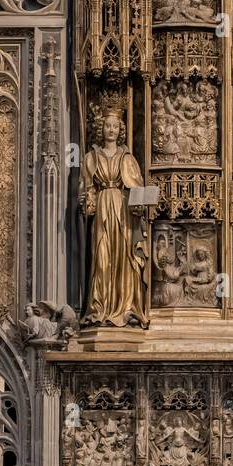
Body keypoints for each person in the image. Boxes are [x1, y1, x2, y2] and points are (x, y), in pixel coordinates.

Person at [80, 106, 149, 327]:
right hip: (102, 211)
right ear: (102, 128)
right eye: (108, 125)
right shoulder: (90, 157)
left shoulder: (127, 158)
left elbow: (137, 187)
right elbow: (86, 188)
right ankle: (100, 307)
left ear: (120, 130)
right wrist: (87, 201)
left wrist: (139, 206)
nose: (112, 130)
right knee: (101, 260)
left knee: (123, 259)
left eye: (115, 126)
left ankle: (125, 306)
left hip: (123, 211)